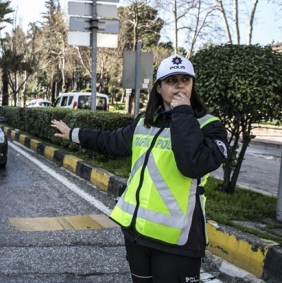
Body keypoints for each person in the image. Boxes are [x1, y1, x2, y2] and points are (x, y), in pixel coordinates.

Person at [51, 54, 228, 283]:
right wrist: (73, 134)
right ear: (159, 87)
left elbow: (192, 165)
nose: (180, 85)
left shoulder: (209, 126)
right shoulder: (146, 123)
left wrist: (183, 112)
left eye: (185, 79)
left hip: (176, 242)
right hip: (136, 235)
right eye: (172, 80)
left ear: (193, 84)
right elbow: (110, 141)